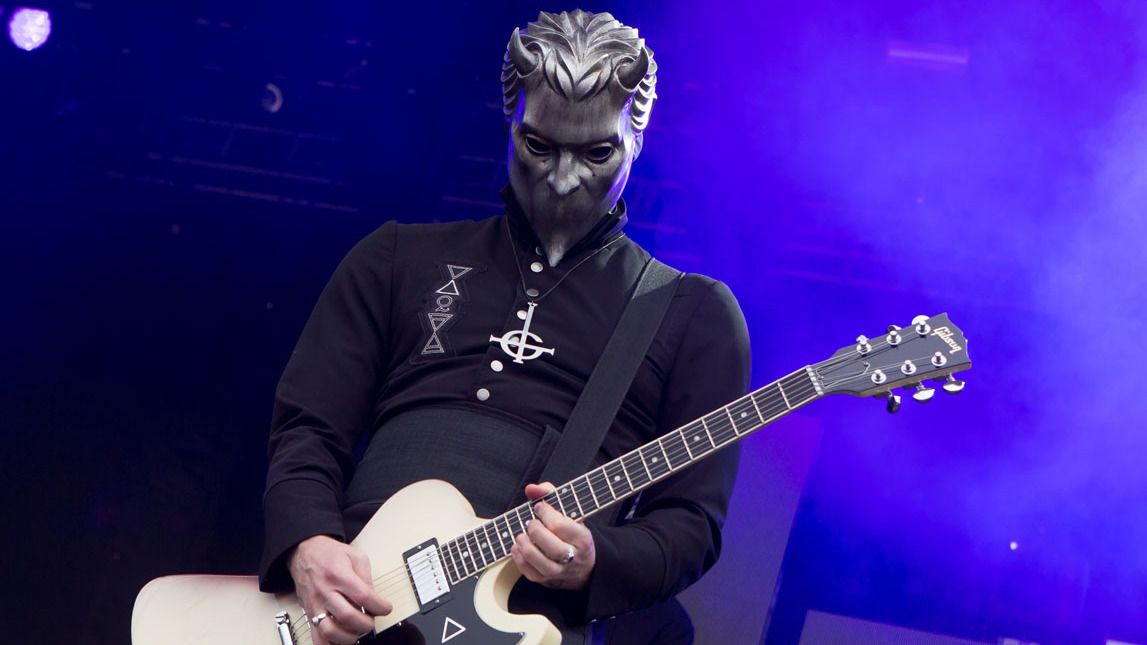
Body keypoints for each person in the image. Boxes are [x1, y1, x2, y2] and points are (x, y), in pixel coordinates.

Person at [258, 10, 751, 645]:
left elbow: (690, 522)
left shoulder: (693, 313)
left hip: (524, 621)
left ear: (638, 136)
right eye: (539, 145)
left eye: (597, 152)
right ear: (508, 122)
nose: (564, 179)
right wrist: (308, 542)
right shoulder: (396, 257)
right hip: (348, 604)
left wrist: (596, 558)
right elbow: (308, 429)